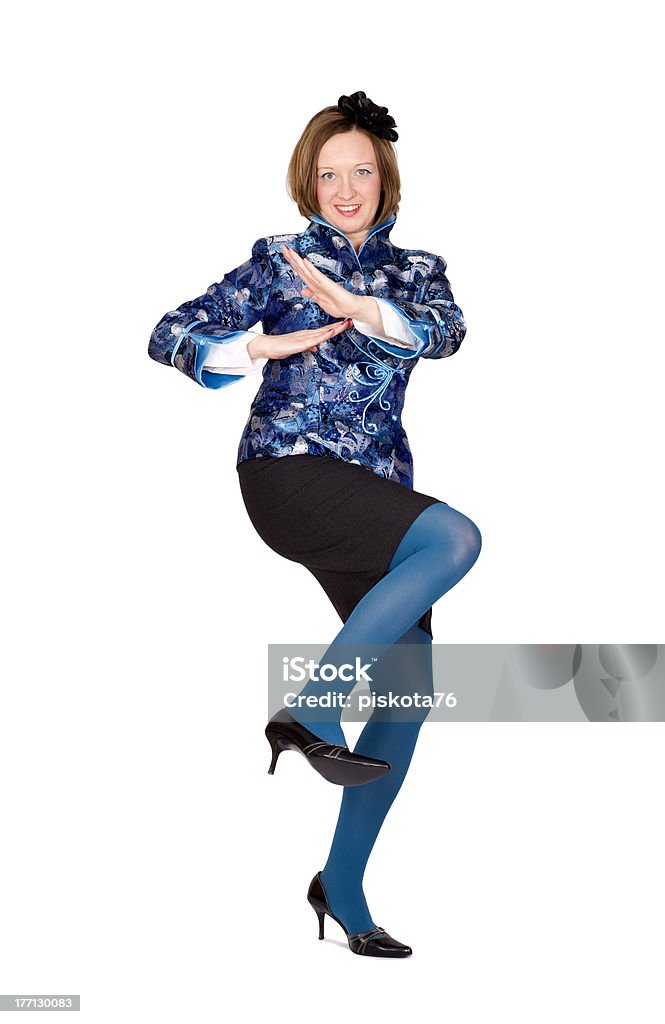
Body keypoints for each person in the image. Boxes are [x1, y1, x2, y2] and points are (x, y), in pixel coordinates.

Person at [148, 91, 482, 958]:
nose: (345, 189)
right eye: (328, 174)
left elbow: (446, 336)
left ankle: (341, 885)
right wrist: (260, 347)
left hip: (374, 495)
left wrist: (364, 308)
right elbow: (168, 332)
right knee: (455, 539)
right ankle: (312, 711)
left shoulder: (419, 271)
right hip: (287, 471)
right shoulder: (280, 259)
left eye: (360, 171)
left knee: (409, 685)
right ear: (310, 181)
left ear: (384, 178)